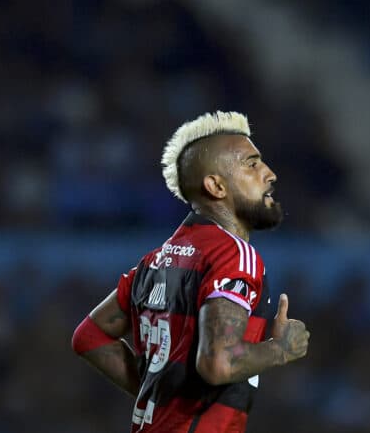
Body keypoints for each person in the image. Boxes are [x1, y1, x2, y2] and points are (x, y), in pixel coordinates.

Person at [72, 111, 310, 432]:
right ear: (215, 186)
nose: (270, 174)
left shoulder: (155, 261)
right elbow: (218, 364)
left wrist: (158, 396)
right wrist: (280, 349)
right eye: (252, 164)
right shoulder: (234, 255)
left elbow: (89, 337)